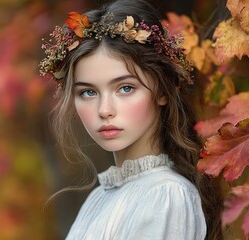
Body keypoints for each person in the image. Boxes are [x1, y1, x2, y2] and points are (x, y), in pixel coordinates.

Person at [40, 0, 223, 239]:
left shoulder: (166, 195)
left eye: (125, 88)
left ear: (162, 92)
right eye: (88, 92)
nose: (104, 110)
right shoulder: (99, 198)